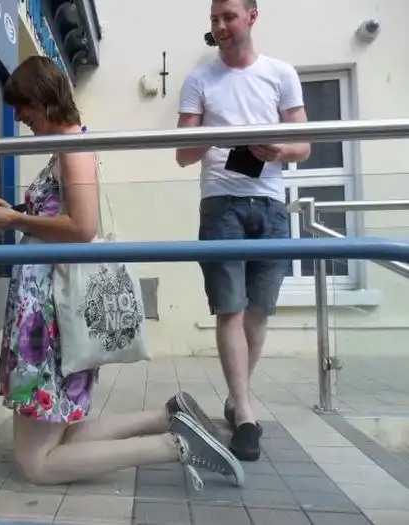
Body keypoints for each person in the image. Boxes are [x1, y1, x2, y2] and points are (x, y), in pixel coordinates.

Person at [0, 55, 244, 489]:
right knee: (61, 434)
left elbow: (83, 228)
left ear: (43, 100)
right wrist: (17, 211)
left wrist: (18, 221)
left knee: (37, 464)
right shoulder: (66, 147)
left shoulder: (72, 148)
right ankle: (167, 416)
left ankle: (172, 445)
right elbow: (60, 216)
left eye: (22, 106)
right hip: (51, 308)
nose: (19, 116)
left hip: (53, 314)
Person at [176, 0, 311, 462]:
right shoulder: (199, 79)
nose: (220, 26)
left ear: (252, 16)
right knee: (229, 309)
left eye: (228, 17)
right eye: (214, 19)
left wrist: (278, 150)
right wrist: (215, 135)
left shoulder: (281, 73)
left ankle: (238, 401)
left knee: (258, 312)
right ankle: (247, 414)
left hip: (270, 204)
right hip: (221, 205)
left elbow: (303, 145)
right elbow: (181, 154)